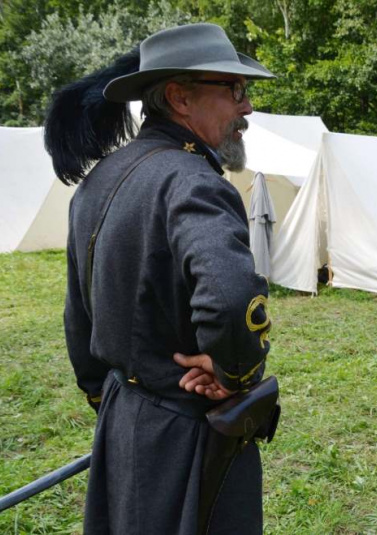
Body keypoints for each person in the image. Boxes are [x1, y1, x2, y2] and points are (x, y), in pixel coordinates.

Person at [46, 23, 276, 534]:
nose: (247, 108)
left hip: (121, 418)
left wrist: (103, 396)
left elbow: (76, 316)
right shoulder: (193, 181)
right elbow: (233, 293)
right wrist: (231, 372)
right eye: (234, 90)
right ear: (179, 97)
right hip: (190, 428)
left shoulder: (99, 178)